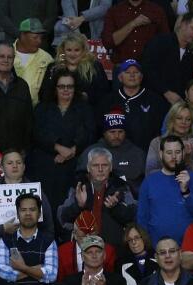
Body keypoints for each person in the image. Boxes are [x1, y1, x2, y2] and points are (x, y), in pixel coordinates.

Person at [30, 70, 95, 211]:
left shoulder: (85, 109)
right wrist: (58, 147)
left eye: (70, 86)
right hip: (46, 165)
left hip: (74, 166)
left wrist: (72, 150)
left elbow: (90, 133)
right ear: (55, 88)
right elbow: (36, 132)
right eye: (61, 86)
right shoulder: (42, 108)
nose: (66, 90)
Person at [0, 194, 58, 285]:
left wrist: (21, 267)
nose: (28, 213)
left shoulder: (49, 241)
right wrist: (37, 271)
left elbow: (51, 275)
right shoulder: (6, 240)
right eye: (23, 210)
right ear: (17, 214)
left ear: (39, 213)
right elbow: (3, 272)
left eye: (32, 210)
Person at [58, 147, 138, 249]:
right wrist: (78, 206)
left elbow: (134, 217)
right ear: (88, 168)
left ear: (111, 167)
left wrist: (116, 208)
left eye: (104, 165)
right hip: (83, 248)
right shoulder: (77, 187)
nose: (100, 169)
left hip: (115, 249)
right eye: (95, 165)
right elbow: (62, 219)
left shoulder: (121, 186)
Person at [137, 135, 193, 244]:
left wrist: (186, 192)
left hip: (189, 248)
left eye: (178, 152)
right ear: (161, 154)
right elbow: (142, 219)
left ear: (183, 153)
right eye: (169, 153)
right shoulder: (149, 182)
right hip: (158, 250)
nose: (174, 156)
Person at [99, 59, 169, 149]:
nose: (132, 75)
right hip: (114, 153)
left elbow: (164, 129)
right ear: (120, 77)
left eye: (136, 72)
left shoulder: (155, 100)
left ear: (141, 77)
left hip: (146, 154)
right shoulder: (108, 100)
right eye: (127, 72)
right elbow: (100, 129)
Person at [139, 13, 193, 107]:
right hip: (151, 103)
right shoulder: (160, 42)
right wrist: (166, 92)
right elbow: (146, 70)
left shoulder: (191, 56)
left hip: (176, 109)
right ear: (183, 24)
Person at [79, 111, 146, 187]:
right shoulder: (91, 152)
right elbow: (81, 179)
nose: (117, 136)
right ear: (104, 133)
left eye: (120, 132)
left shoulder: (138, 153)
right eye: (112, 132)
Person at [100, 0, 168, 62]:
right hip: (122, 68)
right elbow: (108, 42)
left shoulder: (156, 11)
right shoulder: (114, 11)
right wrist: (132, 24)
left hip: (149, 66)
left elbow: (166, 42)